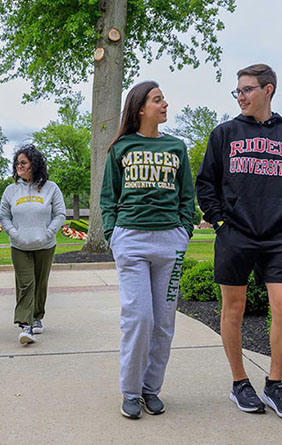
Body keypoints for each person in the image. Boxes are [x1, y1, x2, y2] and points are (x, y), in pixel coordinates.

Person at [195, 63, 282, 419]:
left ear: (268, 90)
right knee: (233, 309)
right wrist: (219, 222)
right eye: (238, 91)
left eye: (247, 90)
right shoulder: (225, 133)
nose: (241, 97)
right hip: (235, 234)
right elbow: (206, 184)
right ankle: (239, 382)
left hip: (278, 236)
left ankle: (275, 384)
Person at [100, 81, 195, 420]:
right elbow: (108, 197)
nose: (165, 104)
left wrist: (183, 231)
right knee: (139, 318)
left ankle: (151, 389)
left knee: (163, 322)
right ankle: (130, 391)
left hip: (170, 242)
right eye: (158, 100)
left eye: (164, 99)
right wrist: (113, 234)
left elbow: (187, 196)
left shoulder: (176, 147)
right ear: (141, 108)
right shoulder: (121, 147)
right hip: (132, 240)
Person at [0, 145, 66, 344]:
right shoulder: (11, 191)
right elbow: (4, 215)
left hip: (45, 245)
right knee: (26, 283)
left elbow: (60, 213)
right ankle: (25, 324)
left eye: (23, 163)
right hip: (20, 245)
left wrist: (49, 233)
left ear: (34, 165)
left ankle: (37, 317)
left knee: (40, 283)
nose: (19, 166)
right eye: (17, 163)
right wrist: (13, 233)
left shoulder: (51, 188)